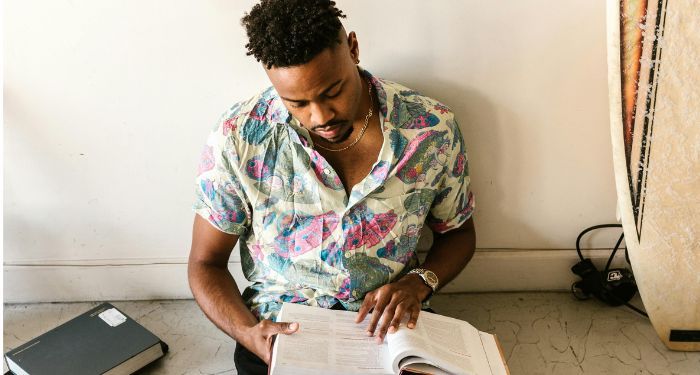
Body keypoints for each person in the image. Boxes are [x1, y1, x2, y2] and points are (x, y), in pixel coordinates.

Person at [188, 0, 476, 373]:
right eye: (298, 103)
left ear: (353, 48)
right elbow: (204, 263)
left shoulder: (431, 129)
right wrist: (248, 333)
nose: (320, 116)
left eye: (332, 91)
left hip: (388, 327)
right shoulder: (239, 137)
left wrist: (419, 283)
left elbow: (459, 234)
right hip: (283, 325)